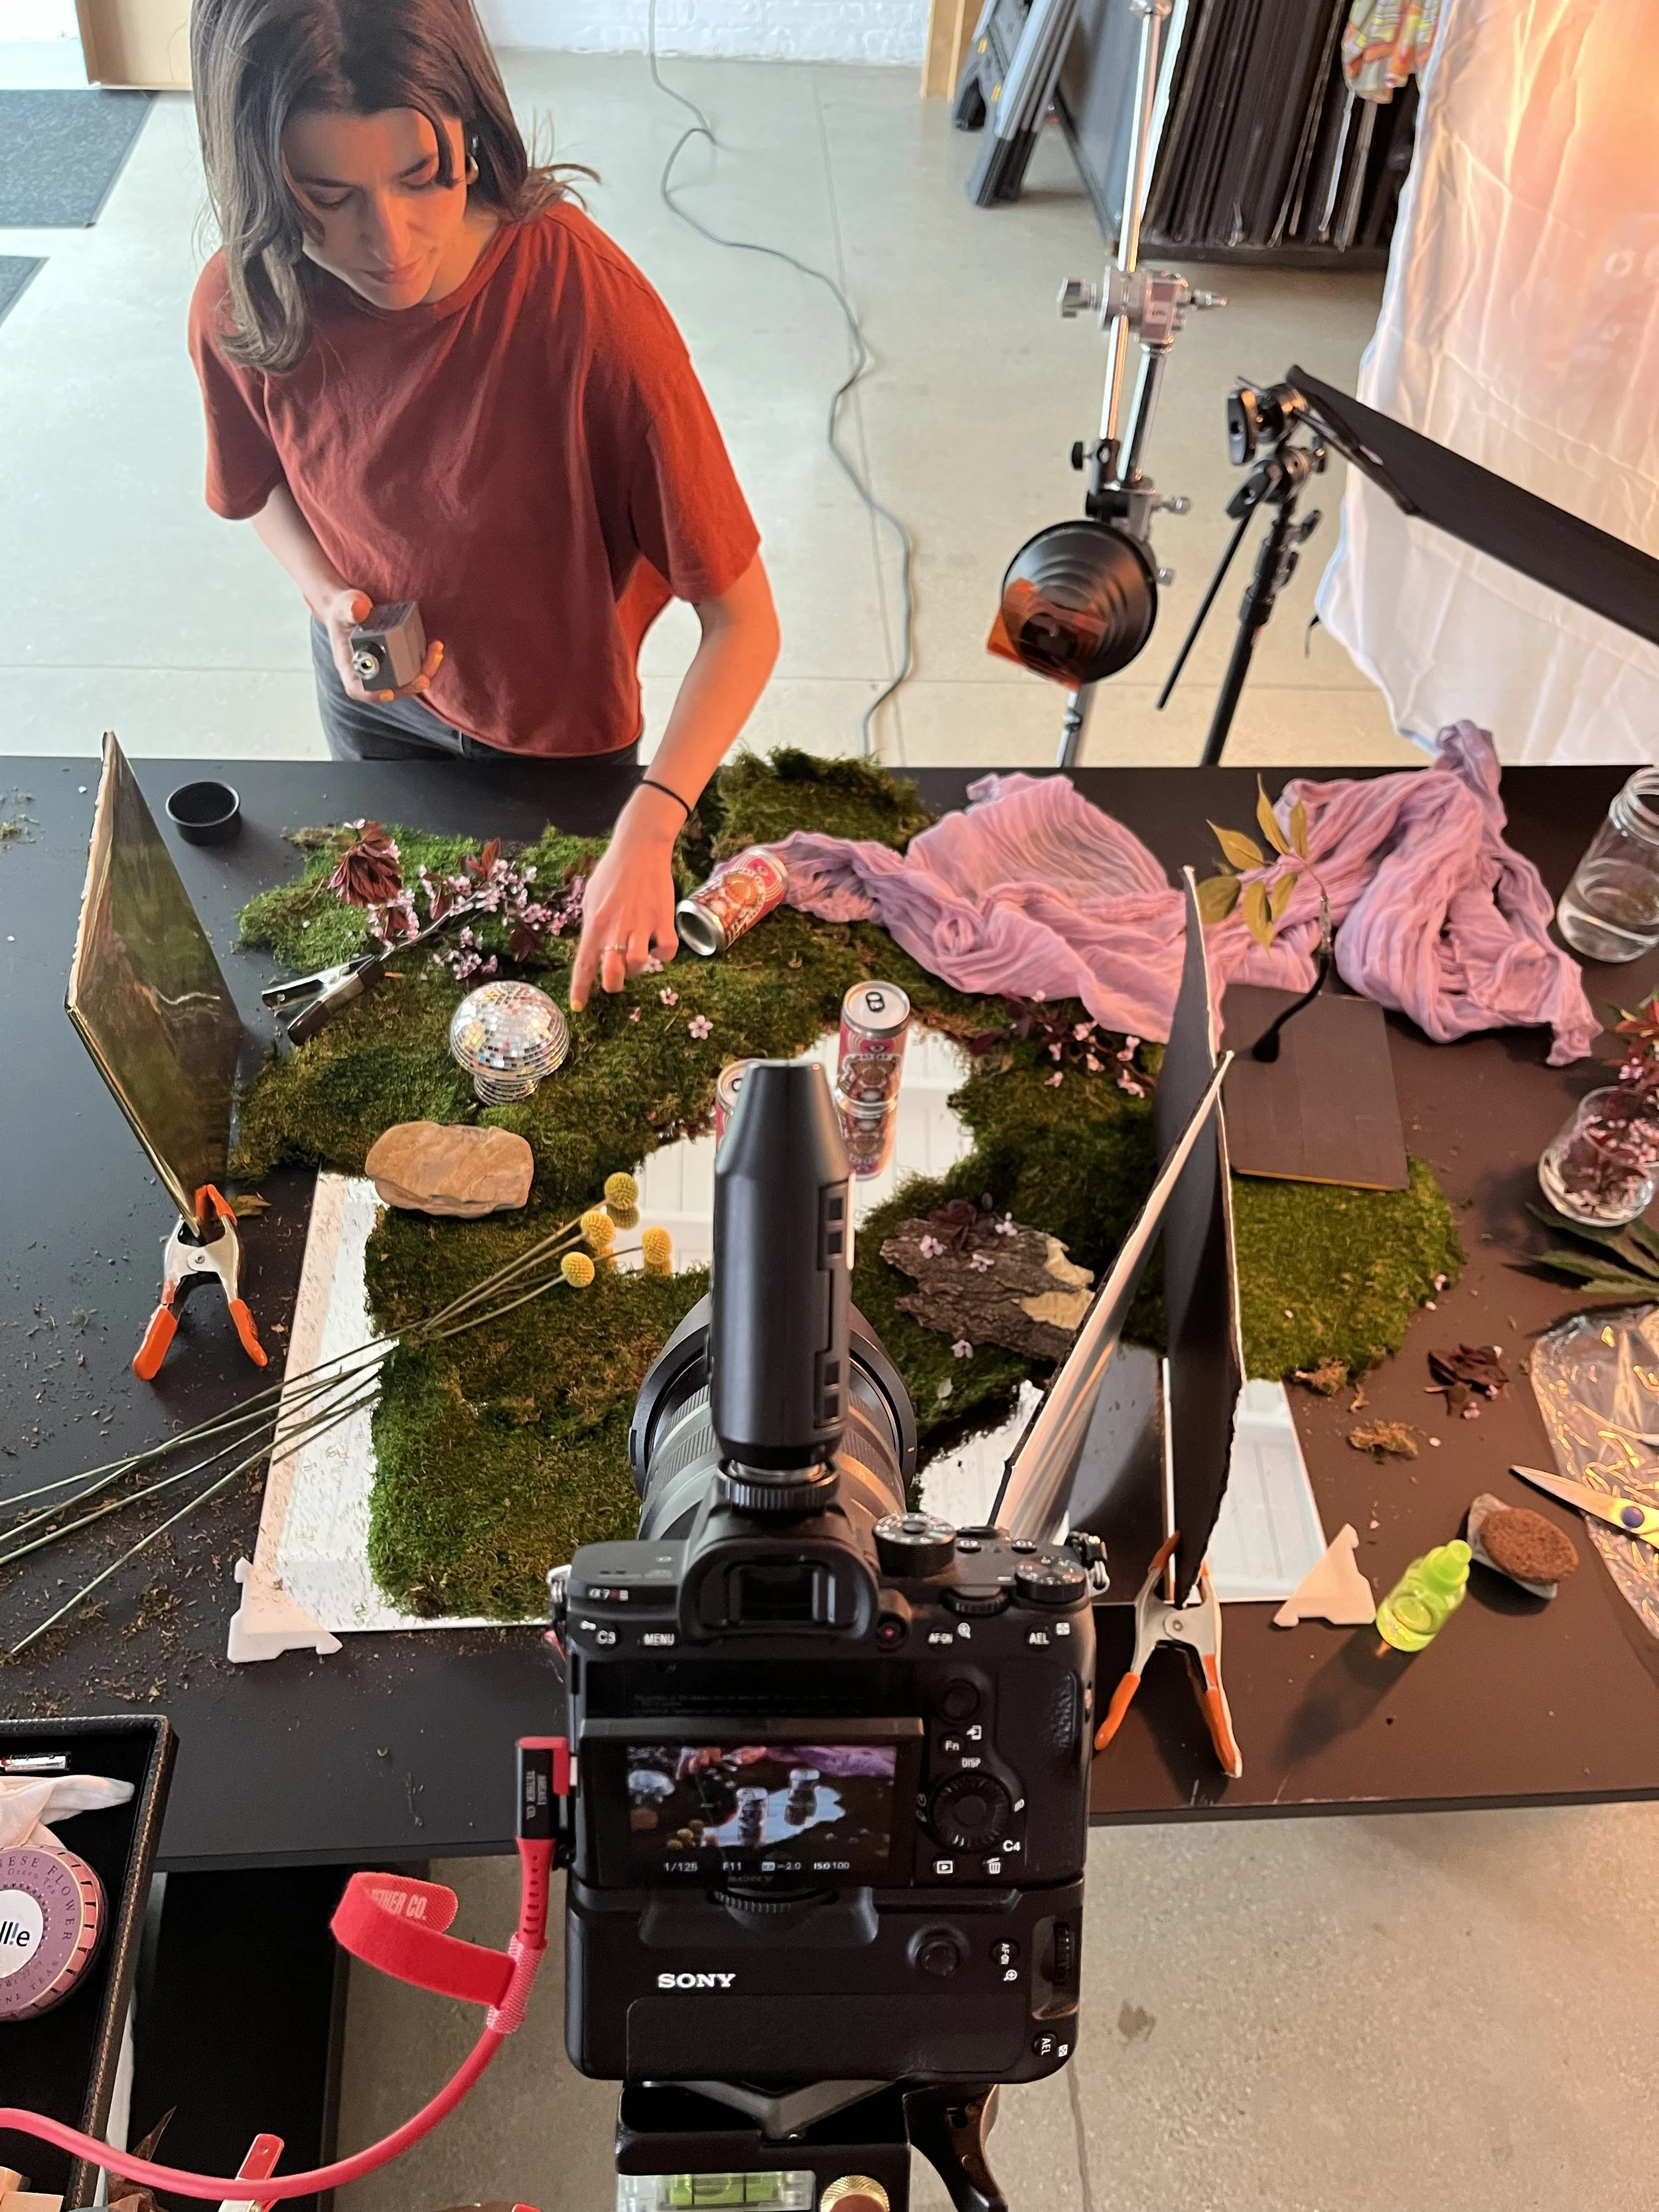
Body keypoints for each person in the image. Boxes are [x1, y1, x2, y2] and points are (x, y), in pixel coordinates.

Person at [186, 0, 780, 1009]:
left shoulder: (591, 314)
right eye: (326, 196)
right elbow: (264, 486)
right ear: (259, 183)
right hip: (374, 700)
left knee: (561, 985)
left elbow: (744, 624)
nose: (392, 241)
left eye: (424, 176)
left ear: (472, 126)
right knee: (409, 957)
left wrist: (654, 818)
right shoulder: (245, 304)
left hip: (559, 737)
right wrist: (327, 594)